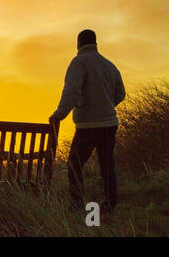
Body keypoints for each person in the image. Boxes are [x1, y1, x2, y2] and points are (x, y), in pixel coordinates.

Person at [49, 29, 126, 213]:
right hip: (109, 123)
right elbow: (121, 93)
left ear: (78, 44)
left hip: (87, 126)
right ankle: (110, 204)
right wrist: (106, 106)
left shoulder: (78, 62)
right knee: (107, 164)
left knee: (74, 164)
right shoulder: (109, 65)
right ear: (95, 43)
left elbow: (72, 92)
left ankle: (76, 205)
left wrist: (59, 114)